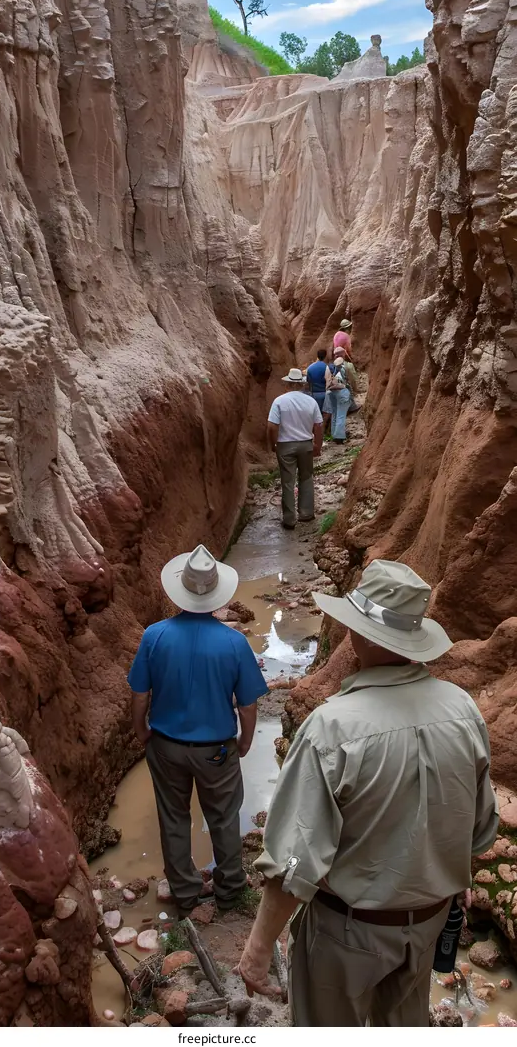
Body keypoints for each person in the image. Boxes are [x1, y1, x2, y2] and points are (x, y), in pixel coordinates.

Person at [236, 559, 498, 1027]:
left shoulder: (332, 728)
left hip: (347, 934)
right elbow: (479, 831)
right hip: (429, 924)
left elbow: (295, 861)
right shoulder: (463, 711)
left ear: (360, 635)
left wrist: (258, 949)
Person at [128, 545, 268, 915]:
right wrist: (245, 741)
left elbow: (140, 695)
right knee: (223, 817)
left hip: (165, 744)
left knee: (173, 817)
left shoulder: (153, 636)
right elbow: (248, 704)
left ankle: (186, 893)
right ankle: (230, 891)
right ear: (216, 594)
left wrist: (141, 731)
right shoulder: (234, 642)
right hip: (217, 749)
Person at [267, 368, 323, 529]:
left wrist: (273, 444)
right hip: (306, 443)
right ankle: (306, 513)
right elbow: (318, 426)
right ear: (302, 384)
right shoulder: (310, 401)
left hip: (285, 445)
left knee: (288, 482)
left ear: (288, 384)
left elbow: (272, 426)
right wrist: (317, 445)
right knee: (306, 478)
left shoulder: (279, 401)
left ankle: (289, 519)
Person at [325, 353, 357, 443]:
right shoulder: (345, 367)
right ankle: (339, 437)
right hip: (342, 391)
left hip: (330, 392)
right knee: (341, 414)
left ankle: (333, 434)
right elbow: (352, 380)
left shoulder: (329, 368)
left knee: (334, 413)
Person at [305, 350, 331, 415]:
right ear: (325, 356)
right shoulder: (326, 367)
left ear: (317, 356)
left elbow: (308, 381)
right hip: (323, 394)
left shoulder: (310, 367)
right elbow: (328, 382)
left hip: (313, 394)